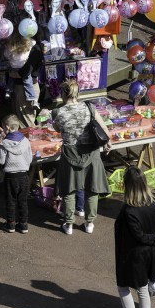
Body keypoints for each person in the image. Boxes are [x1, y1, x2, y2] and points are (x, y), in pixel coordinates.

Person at [52, 79, 111, 235]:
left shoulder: (57, 112)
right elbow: (104, 128)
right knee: (92, 189)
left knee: (68, 189)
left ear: (62, 94)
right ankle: (89, 223)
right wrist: (107, 142)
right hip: (91, 153)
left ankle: (69, 224)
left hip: (69, 153)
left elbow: (57, 129)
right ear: (77, 93)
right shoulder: (89, 107)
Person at [113, 166, 155, 308]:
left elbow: (139, 236)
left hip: (132, 255)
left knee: (123, 287)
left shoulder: (129, 210)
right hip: (151, 254)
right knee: (143, 290)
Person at [0, 114, 33, 234]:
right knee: (23, 201)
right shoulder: (26, 141)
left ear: (7, 128)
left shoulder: (4, 143)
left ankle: (10, 224)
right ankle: (23, 225)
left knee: (10, 200)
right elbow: (29, 159)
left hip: (10, 176)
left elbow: (1, 160)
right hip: (23, 175)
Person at [4, 34, 39, 110]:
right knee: (28, 83)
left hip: (14, 67)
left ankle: (8, 91)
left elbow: (6, 55)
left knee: (11, 79)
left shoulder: (11, 47)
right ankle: (32, 98)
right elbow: (34, 42)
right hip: (23, 67)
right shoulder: (28, 47)